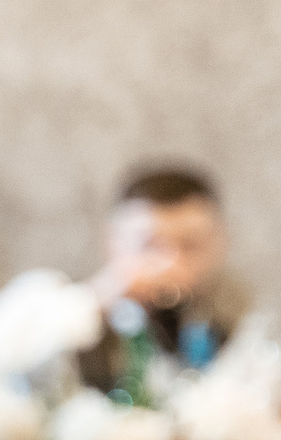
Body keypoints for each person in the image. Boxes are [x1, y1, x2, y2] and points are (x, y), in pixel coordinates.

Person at [76, 164, 251, 396]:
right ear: (112, 242)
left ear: (221, 242)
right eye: (148, 245)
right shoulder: (64, 312)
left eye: (190, 245)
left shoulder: (233, 309)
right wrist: (97, 300)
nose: (170, 263)